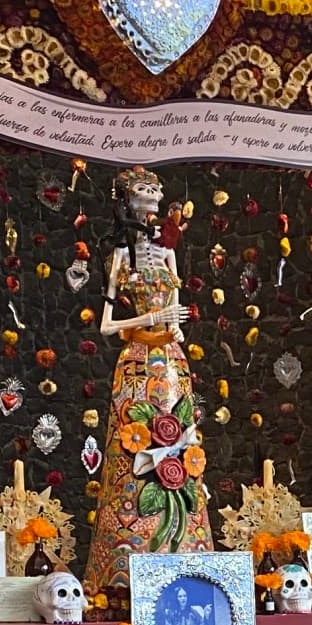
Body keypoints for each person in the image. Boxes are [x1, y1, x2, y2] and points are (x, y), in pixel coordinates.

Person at [84, 166, 212, 600]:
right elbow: (106, 324)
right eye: (145, 189)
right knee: (135, 448)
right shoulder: (121, 256)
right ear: (127, 198)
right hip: (137, 360)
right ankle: (125, 558)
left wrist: (175, 330)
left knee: (181, 446)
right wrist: (152, 319)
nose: (154, 195)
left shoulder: (168, 252)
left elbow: (176, 313)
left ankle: (186, 548)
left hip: (173, 363)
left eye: (157, 188)